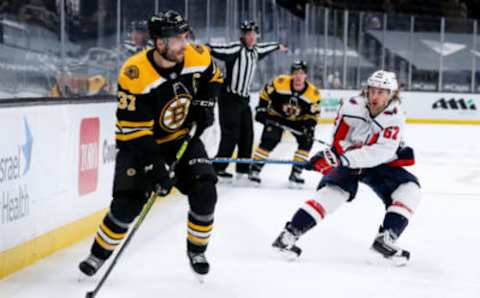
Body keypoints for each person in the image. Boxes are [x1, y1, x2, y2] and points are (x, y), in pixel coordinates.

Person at [78, 10, 223, 278]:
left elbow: (213, 77)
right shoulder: (135, 74)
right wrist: (156, 169)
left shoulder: (196, 55)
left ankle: (197, 250)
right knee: (127, 207)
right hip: (139, 146)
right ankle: (97, 255)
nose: (184, 44)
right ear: (159, 43)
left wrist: (206, 101)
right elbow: (135, 133)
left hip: (181, 138)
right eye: (177, 39)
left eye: (185, 37)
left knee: (205, 191)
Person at [272, 70, 421, 266]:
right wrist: (332, 156)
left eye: (381, 92)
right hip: (349, 158)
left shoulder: (395, 117)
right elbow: (338, 140)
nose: (375, 96)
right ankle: (288, 236)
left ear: (391, 95)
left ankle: (385, 240)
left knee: (410, 189)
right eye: (372, 91)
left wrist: (338, 158)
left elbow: (379, 153)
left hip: (379, 164)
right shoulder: (351, 107)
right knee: (333, 193)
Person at [207, 20, 288, 182]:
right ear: (242, 36)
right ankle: (218, 168)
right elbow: (216, 49)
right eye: (247, 34)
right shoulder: (236, 49)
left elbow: (268, 47)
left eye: (253, 34)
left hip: (244, 99)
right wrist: (203, 48)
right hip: (229, 98)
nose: (251, 37)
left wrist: (279, 46)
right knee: (231, 135)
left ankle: (243, 169)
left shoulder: (256, 51)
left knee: (247, 134)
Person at [248, 60, 321, 187]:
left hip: (299, 121)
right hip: (277, 117)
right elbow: (265, 94)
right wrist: (261, 109)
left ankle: (296, 173)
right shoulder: (280, 82)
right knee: (269, 140)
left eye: (302, 73)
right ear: (291, 74)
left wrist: (309, 126)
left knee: (307, 141)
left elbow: (313, 114)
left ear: (306, 75)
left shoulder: (313, 93)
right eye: (295, 72)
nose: (298, 76)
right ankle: (254, 169)